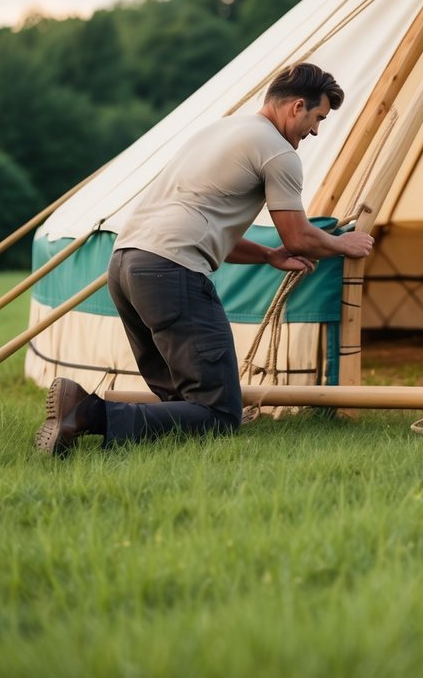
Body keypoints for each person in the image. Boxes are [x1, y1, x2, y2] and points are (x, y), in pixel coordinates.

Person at [35, 63, 374, 455]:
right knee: (218, 414)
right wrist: (342, 244)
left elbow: (211, 228)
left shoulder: (218, 131)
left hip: (126, 265)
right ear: (297, 106)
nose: (315, 131)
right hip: (170, 272)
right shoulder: (279, 152)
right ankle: (84, 411)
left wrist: (267, 256)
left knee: (180, 399)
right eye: (317, 118)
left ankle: (77, 430)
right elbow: (297, 236)